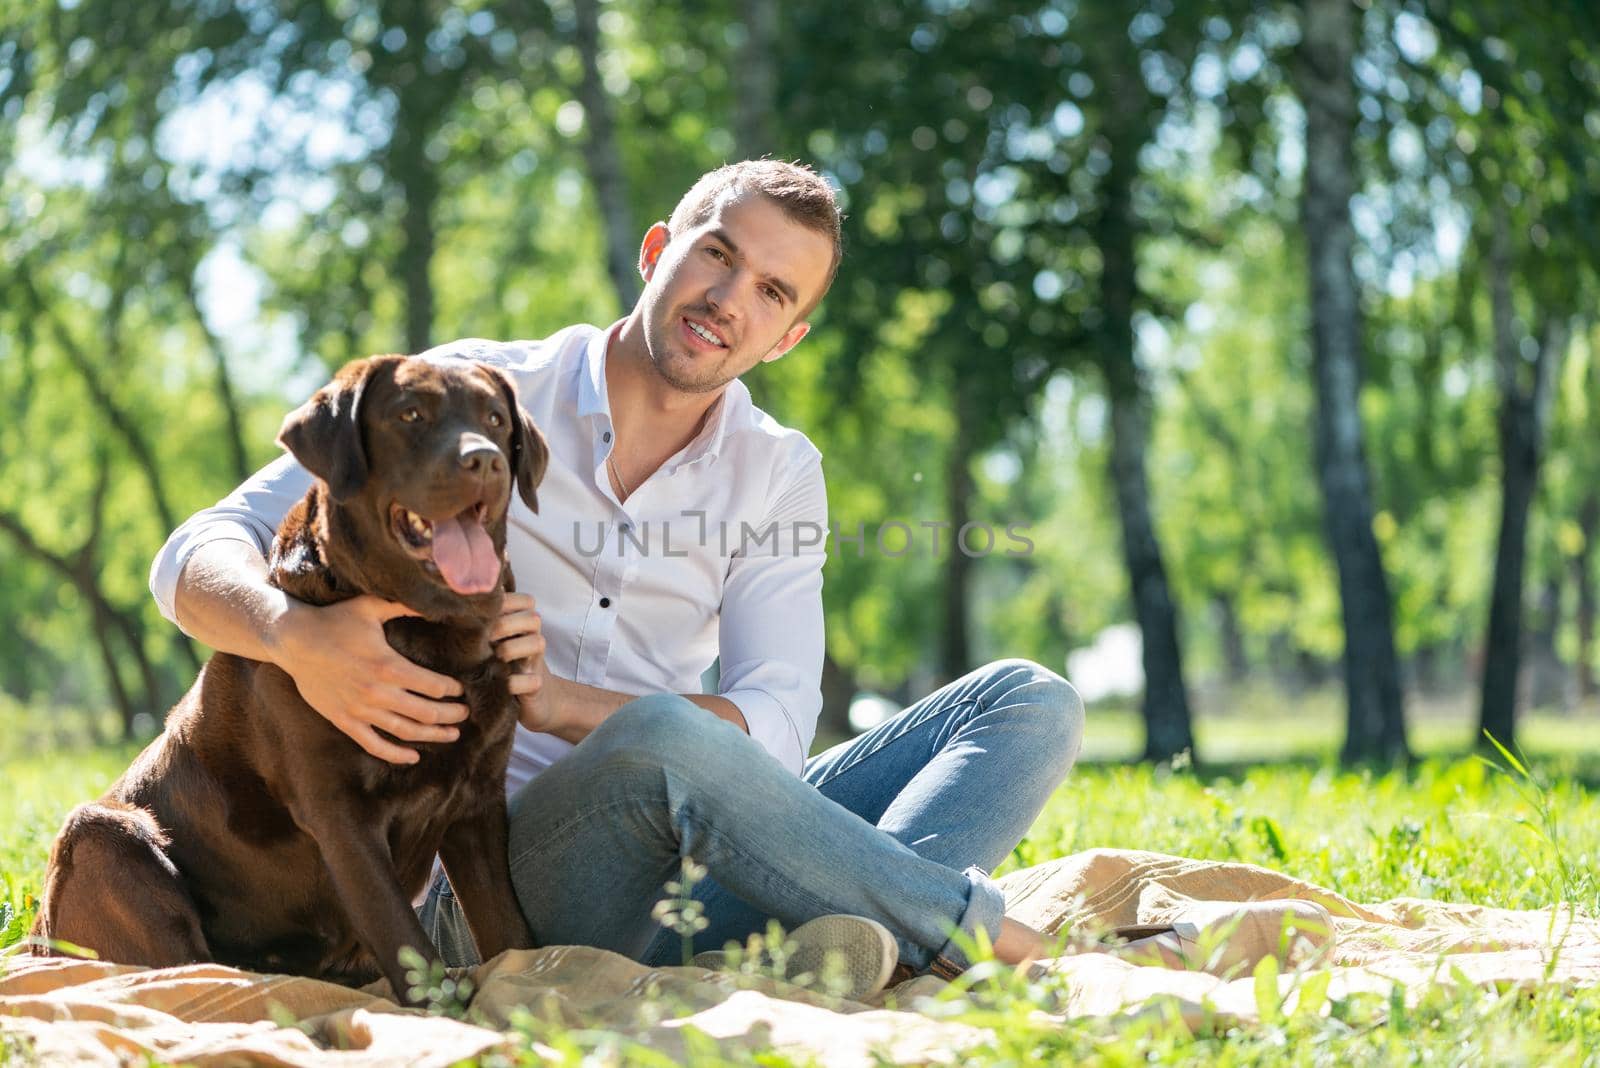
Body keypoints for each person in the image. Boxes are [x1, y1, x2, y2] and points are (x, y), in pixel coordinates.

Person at [151, 160, 1148, 993]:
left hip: (709, 854)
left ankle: (839, 932)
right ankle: (984, 939)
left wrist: (566, 700)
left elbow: (778, 729)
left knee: (1029, 702)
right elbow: (193, 551)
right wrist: (292, 636)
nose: (728, 301)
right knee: (666, 731)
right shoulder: (471, 398)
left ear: (787, 336)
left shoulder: (778, 470)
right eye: (718, 254)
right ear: (657, 250)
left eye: (772, 292)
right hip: (490, 873)